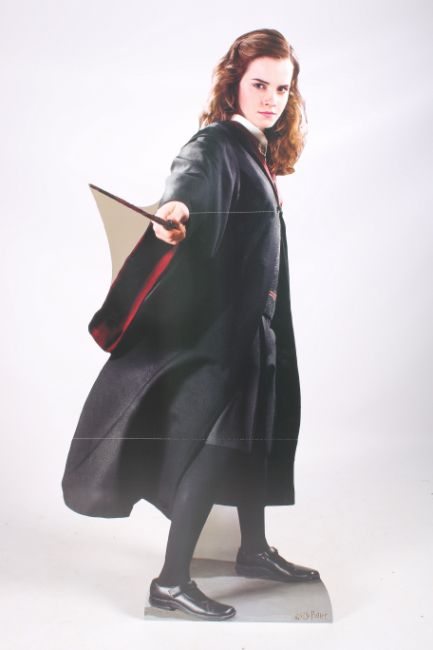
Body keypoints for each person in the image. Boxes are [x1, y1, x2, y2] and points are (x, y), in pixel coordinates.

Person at [61, 28, 320, 622]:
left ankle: (253, 551)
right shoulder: (214, 144)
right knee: (216, 449)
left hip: (256, 332)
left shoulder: (253, 152)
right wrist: (173, 214)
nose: (271, 98)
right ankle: (170, 581)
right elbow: (187, 192)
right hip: (221, 338)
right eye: (259, 84)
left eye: (282, 88)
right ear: (234, 84)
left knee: (252, 439)